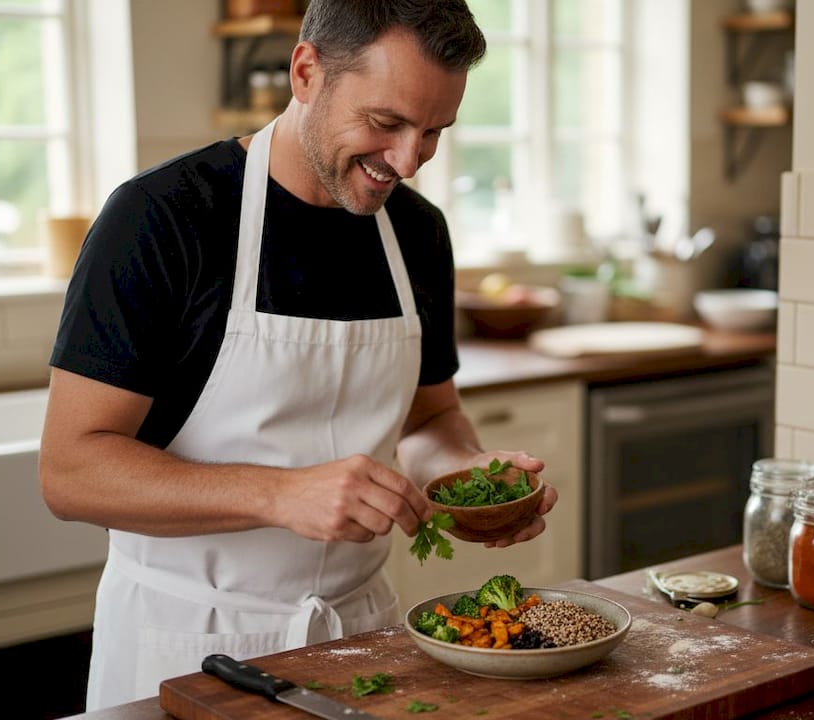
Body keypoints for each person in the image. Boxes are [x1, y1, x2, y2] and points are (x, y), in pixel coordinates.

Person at [39, 0, 556, 709]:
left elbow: (431, 418)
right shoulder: (161, 219)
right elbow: (70, 472)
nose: (407, 161)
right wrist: (281, 494)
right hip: (190, 644)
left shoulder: (417, 232)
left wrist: (465, 479)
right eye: (385, 123)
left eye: (433, 132)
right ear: (307, 71)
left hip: (362, 638)